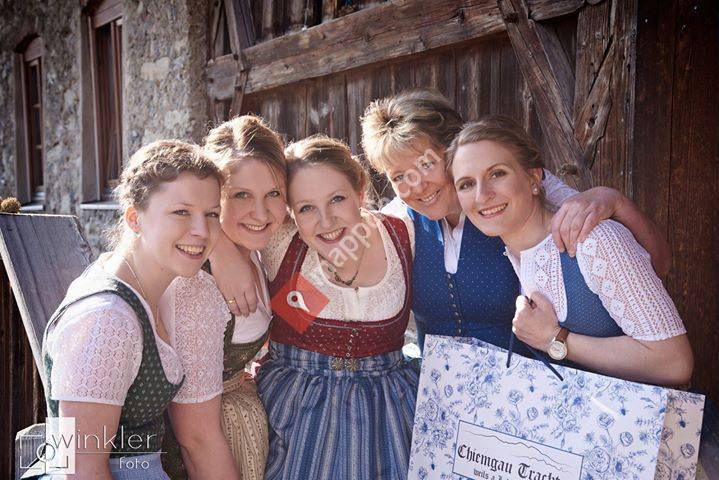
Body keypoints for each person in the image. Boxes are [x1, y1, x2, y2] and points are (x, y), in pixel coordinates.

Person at [358, 88, 672, 354]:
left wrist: (614, 200)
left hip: (524, 389)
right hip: (440, 394)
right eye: (399, 176)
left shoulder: (516, 196)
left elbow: (654, 266)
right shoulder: (400, 219)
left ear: (454, 149)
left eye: (425, 165)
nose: (416, 186)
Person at [39, 140, 239, 479]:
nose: (202, 231)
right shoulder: (105, 318)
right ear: (135, 218)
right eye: (181, 212)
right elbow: (78, 469)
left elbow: (201, 439)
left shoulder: (179, 290)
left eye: (211, 214)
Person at [447, 115, 693, 386]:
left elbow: (674, 363)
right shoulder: (510, 252)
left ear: (534, 178)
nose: (482, 195)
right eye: (466, 184)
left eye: (497, 173)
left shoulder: (594, 240)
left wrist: (553, 339)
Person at [254, 135, 418, 480]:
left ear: (360, 191)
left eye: (337, 199)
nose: (326, 221)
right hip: (297, 412)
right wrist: (223, 255)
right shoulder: (279, 242)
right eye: (306, 208)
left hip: (390, 413)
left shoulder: (403, 233)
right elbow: (220, 214)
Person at [162, 114, 287, 479]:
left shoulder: (261, 250)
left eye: (273, 194)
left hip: (241, 427)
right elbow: (195, 437)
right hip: (205, 452)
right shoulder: (197, 283)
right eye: (241, 195)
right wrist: (216, 246)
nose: (261, 213)